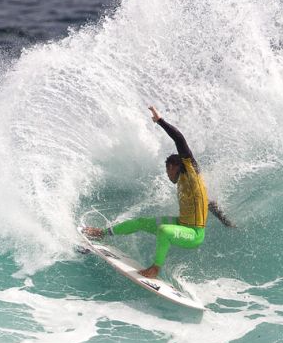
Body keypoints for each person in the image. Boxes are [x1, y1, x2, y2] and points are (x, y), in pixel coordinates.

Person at [82, 106, 234, 278]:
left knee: (163, 230)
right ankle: (103, 233)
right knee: (140, 222)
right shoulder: (185, 184)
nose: (168, 175)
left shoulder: (191, 172)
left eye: (168, 171)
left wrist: (160, 121)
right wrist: (226, 221)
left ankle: (155, 269)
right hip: (181, 224)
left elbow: (179, 140)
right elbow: (209, 203)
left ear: (173, 166)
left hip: (194, 234)